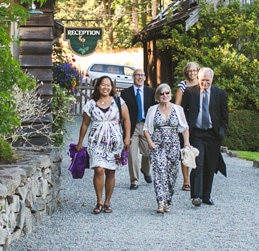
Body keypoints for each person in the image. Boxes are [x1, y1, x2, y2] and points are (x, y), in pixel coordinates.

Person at [76, 75, 131, 214]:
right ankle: (99, 200)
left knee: (111, 171)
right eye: (103, 85)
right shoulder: (91, 104)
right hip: (96, 141)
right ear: (98, 86)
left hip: (114, 143)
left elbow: (126, 119)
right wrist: (80, 142)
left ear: (111, 87)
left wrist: (127, 138)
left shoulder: (119, 101)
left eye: (108, 85)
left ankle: (107, 202)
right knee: (99, 169)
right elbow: (84, 124)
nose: (106, 87)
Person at [184, 67, 229, 207]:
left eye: (207, 81)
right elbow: (183, 111)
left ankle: (206, 196)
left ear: (212, 80)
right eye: (202, 80)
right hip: (196, 132)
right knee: (198, 162)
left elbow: (224, 116)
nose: (205, 83)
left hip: (212, 134)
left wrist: (221, 132)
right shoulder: (190, 92)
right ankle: (196, 195)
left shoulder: (220, 93)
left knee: (210, 165)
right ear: (198, 79)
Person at [144, 84, 190, 213]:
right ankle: (160, 201)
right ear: (158, 96)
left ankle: (168, 200)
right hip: (157, 145)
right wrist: (149, 141)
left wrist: (186, 143)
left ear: (170, 94)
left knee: (171, 175)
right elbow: (146, 129)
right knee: (159, 172)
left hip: (174, 146)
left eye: (167, 93)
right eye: (162, 93)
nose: (165, 95)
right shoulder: (152, 110)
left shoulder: (178, 109)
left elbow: (185, 128)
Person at [119, 69, 155, 190]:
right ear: (133, 77)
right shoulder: (125, 93)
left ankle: (145, 170)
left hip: (146, 127)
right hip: (132, 127)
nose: (139, 77)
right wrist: (124, 133)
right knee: (132, 156)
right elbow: (122, 113)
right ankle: (134, 180)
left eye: (141, 75)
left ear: (145, 77)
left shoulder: (151, 92)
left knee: (149, 153)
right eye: (137, 75)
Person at [173, 61, 200, 192]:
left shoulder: (202, 83)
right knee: (186, 150)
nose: (192, 73)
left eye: (194, 70)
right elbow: (177, 105)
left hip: (199, 120)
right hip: (186, 120)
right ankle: (186, 181)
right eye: (190, 71)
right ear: (186, 72)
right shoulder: (182, 85)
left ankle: (197, 179)